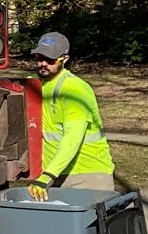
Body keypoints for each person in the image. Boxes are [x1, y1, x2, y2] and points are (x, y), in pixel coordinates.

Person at [29, 32, 116, 199]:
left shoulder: (74, 90)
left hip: (88, 176)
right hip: (56, 176)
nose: (43, 64)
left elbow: (72, 138)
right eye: (39, 58)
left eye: (50, 60)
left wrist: (48, 175)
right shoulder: (37, 86)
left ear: (65, 59)